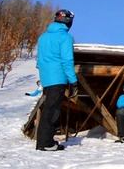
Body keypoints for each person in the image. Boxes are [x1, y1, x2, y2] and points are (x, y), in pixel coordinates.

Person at [36, 9, 78, 151]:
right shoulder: (65, 37)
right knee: (53, 111)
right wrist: (73, 80)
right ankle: (46, 143)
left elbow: (39, 61)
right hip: (58, 77)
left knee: (48, 108)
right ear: (68, 21)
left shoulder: (43, 37)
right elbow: (67, 61)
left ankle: (43, 141)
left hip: (46, 78)